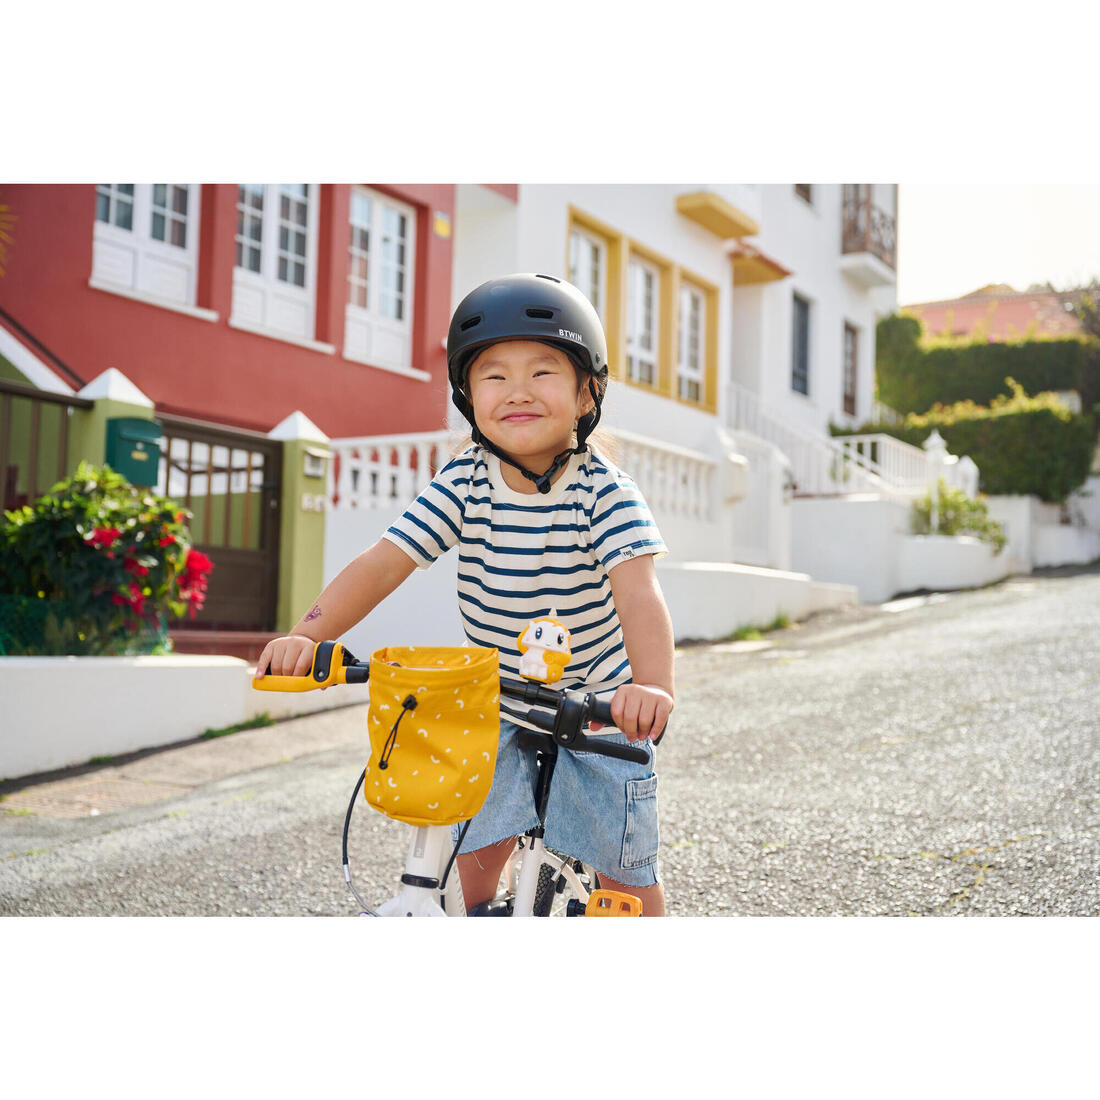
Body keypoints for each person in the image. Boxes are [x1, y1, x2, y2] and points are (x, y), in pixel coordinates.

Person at [256, 273, 675, 916]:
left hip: (597, 707)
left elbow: (638, 593)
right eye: (494, 376)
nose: (518, 392)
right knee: (469, 865)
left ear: (587, 391)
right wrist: (308, 634)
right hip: (497, 702)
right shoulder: (464, 480)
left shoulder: (603, 490)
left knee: (624, 876)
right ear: (467, 394)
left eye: (543, 372)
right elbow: (384, 562)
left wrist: (649, 687)